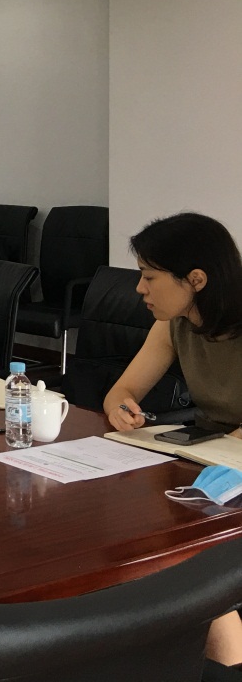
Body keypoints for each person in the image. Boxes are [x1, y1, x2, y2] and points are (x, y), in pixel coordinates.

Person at [104, 212, 242, 665]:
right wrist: (122, 408)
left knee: (194, 569)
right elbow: (121, 392)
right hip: (213, 459)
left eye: (149, 277)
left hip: (228, 465)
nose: (139, 288)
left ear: (196, 279)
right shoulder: (173, 322)